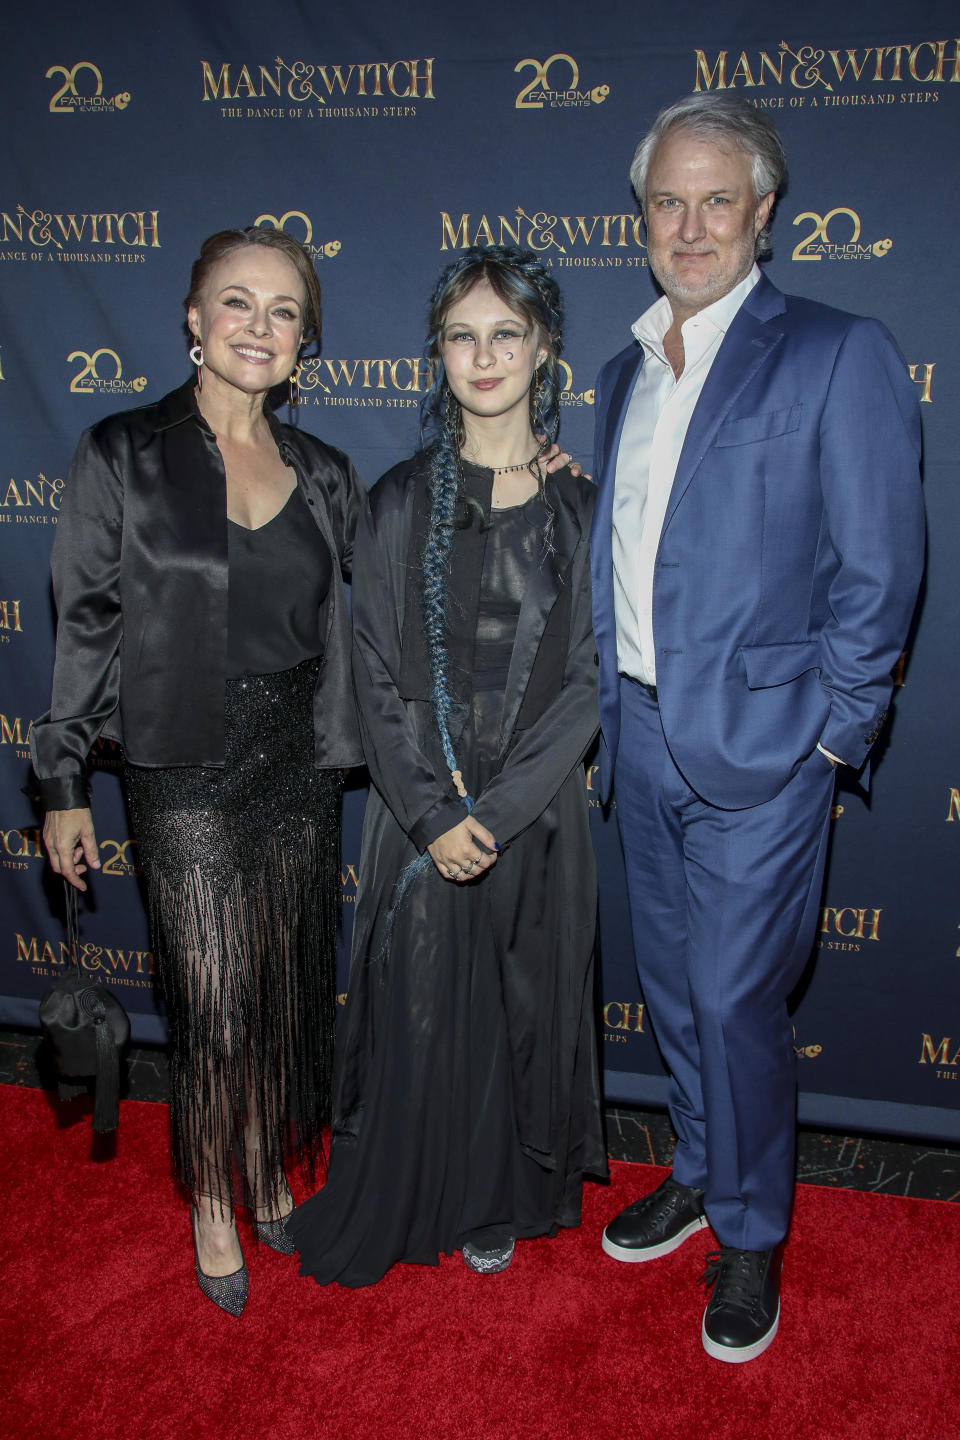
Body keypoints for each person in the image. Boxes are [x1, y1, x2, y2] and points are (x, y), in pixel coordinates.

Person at [590, 94, 924, 1362]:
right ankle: (694, 1163)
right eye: (667, 200)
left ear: (765, 212)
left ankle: (750, 1231)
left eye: (715, 198)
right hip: (638, 729)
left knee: (736, 999)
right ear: (644, 217)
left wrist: (834, 739)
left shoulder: (839, 351)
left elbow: (880, 572)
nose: (690, 224)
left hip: (765, 749)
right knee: (675, 988)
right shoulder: (623, 369)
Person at [32, 226, 365, 1317]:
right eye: (238, 303)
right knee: (215, 1001)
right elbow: (83, 625)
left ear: (305, 337)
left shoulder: (323, 472)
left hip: (297, 760)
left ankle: (268, 1167)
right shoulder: (119, 451)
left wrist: (527, 470)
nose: (259, 327)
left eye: (282, 310)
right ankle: (213, 1203)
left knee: (276, 988)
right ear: (193, 318)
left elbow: (376, 607)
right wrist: (65, 781)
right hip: (184, 764)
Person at [288, 244, 607, 1286]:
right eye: (462, 335)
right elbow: (369, 672)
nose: (484, 355)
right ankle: (416, 1177)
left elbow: (592, 679)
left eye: (505, 333)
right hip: (417, 805)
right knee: (422, 996)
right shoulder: (395, 501)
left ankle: (499, 1195)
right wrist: (433, 813)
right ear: (439, 352)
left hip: (537, 807)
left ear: (543, 349)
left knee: (520, 1002)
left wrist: (504, 809)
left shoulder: (581, 508)